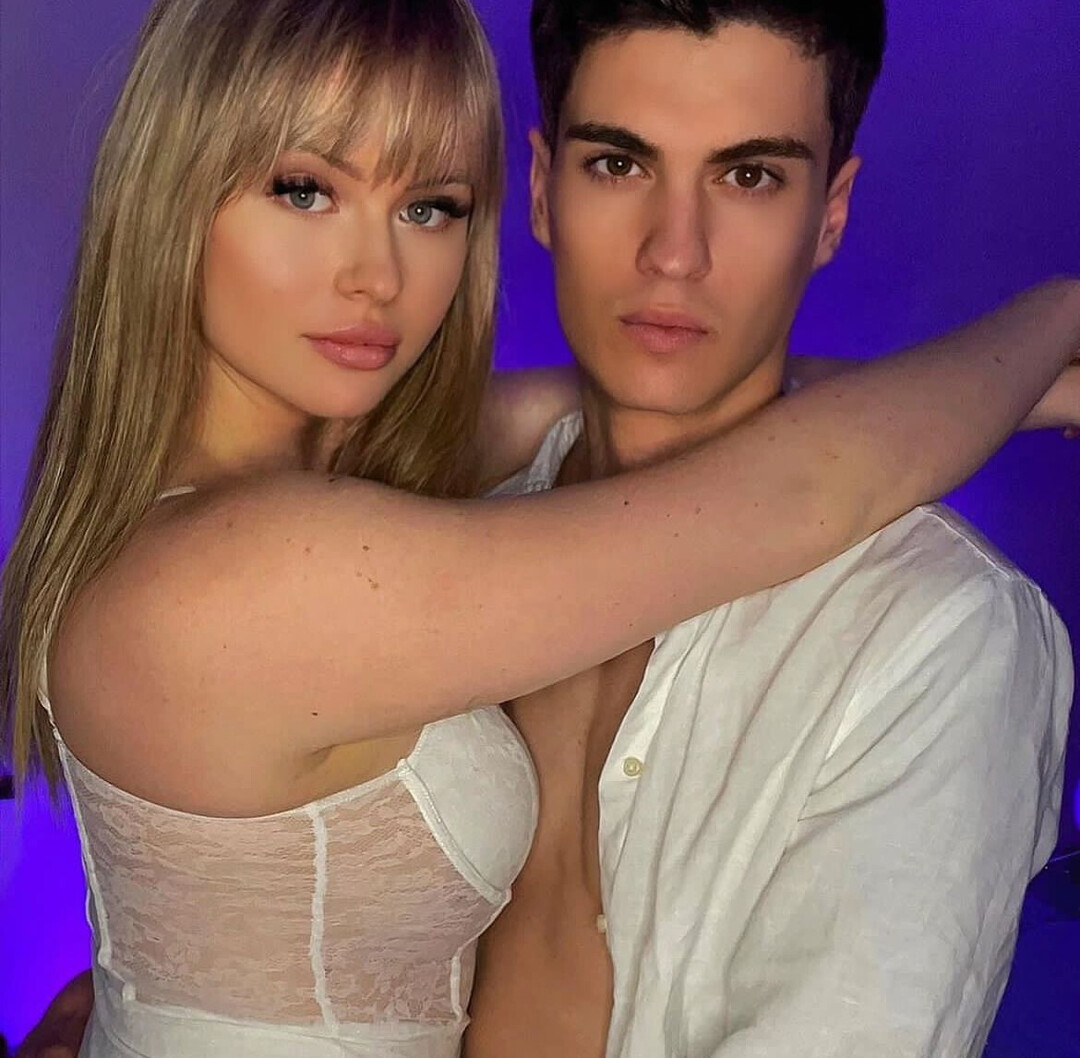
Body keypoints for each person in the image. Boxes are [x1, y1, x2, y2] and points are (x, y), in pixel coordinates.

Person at [4, 0, 1079, 1056]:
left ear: (830, 212)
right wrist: (1059, 314)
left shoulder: (389, 478)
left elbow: (627, 410)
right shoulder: (265, 570)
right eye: (304, 189)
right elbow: (797, 492)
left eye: (429, 206)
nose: (376, 277)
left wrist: (1025, 390)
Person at [459, 2, 1076, 1057]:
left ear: (830, 216)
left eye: (749, 176)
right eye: (619, 164)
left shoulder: (937, 631)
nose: (674, 252)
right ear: (543, 188)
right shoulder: (443, 531)